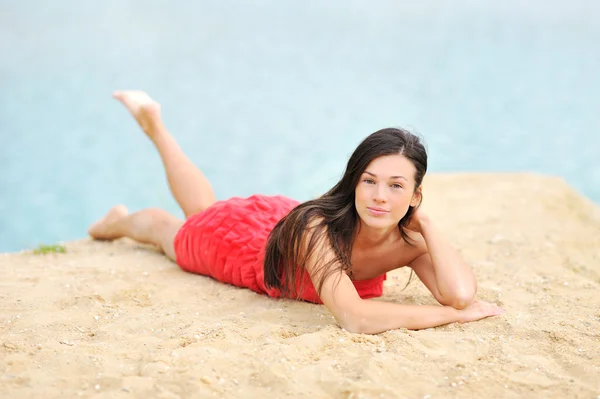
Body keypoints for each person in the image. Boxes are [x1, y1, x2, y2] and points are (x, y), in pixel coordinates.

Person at [89, 90, 504, 334]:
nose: (379, 197)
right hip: (247, 249)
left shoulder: (411, 239)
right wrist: (448, 318)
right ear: (354, 182)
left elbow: (460, 293)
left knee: (203, 208)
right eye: (369, 181)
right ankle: (118, 217)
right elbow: (354, 317)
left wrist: (428, 225)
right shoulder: (320, 228)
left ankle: (155, 126)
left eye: (396, 186)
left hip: (285, 226)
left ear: (416, 195)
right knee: (173, 229)